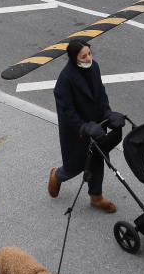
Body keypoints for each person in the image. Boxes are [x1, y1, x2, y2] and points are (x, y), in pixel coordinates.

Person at [48, 40, 124, 213]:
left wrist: (108, 113)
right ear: (74, 58)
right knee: (74, 167)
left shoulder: (94, 67)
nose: (89, 58)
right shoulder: (65, 79)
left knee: (97, 160)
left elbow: (100, 93)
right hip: (77, 132)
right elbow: (67, 111)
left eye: (90, 53)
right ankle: (57, 176)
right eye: (84, 56)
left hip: (97, 126)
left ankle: (96, 197)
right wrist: (84, 127)